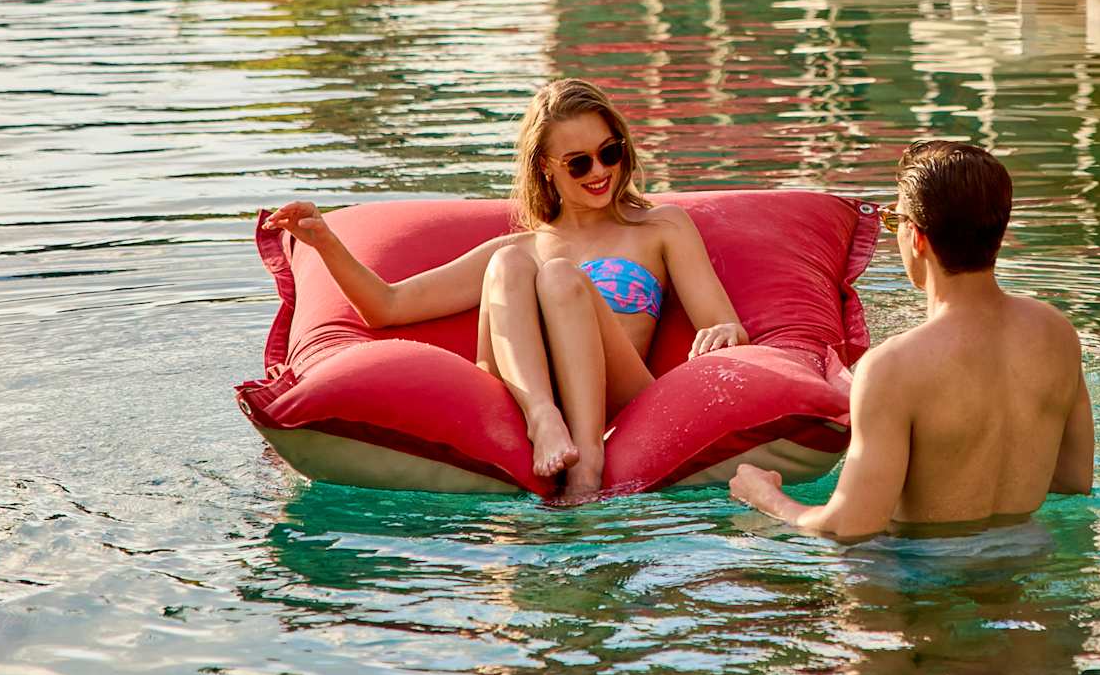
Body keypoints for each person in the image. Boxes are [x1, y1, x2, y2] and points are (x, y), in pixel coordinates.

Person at [264, 78, 748, 500]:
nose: (600, 172)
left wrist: (725, 331)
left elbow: (721, 322)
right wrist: (324, 241)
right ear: (546, 167)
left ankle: (586, 463)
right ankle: (542, 418)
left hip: (616, 391)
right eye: (578, 163)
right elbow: (387, 306)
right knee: (511, 262)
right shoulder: (519, 247)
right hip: (526, 398)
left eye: (610, 152)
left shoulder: (660, 227)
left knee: (558, 275)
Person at [731, 141, 1093, 540]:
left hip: (917, 567)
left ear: (917, 237)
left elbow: (848, 527)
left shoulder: (894, 367)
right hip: (1029, 553)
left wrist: (764, 497)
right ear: (999, 230)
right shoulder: (1057, 333)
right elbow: (1073, 479)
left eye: (894, 220)